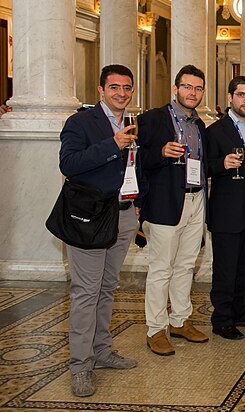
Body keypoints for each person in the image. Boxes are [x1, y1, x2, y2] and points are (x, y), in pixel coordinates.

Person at [58, 65, 139, 397]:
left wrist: (139, 202)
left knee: (107, 288)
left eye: (127, 88)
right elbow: (69, 164)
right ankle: (80, 366)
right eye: (115, 87)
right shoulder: (81, 122)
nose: (121, 93)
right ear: (101, 89)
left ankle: (102, 351)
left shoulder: (135, 123)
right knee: (86, 293)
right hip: (90, 218)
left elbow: (137, 165)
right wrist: (113, 143)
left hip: (123, 215)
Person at [138, 65, 210, 356]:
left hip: (195, 200)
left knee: (185, 266)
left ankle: (180, 320)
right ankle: (155, 329)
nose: (192, 93)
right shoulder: (153, 119)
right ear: (175, 88)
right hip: (165, 204)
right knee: (161, 268)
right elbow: (134, 156)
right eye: (187, 87)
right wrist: (160, 153)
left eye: (198, 88)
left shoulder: (199, 124)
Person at [206, 76, 245, 342]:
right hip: (227, 210)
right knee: (226, 267)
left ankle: (240, 310)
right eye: (241, 95)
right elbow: (205, 167)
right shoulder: (216, 130)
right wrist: (223, 164)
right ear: (230, 97)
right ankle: (222, 318)